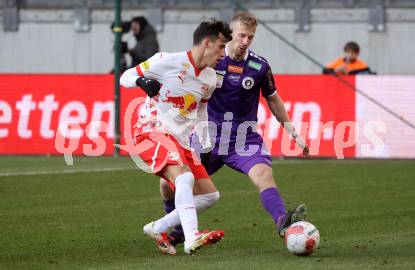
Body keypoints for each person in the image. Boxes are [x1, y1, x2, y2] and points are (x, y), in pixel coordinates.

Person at [158, 11, 310, 247]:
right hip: (208, 138)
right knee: (167, 185)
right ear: (231, 33)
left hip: (244, 139)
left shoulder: (259, 66)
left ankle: (283, 223)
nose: (245, 41)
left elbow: (273, 99)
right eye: (241, 35)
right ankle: (175, 232)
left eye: (250, 37)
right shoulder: (212, 61)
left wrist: (293, 132)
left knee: (264, 176)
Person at [120, 19, 232, 255]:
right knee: (184, 179)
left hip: (180, 140)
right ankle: (192, 237)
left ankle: (157, 227)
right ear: (206, 42)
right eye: (221, 46)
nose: (224, 53)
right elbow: (125, 76)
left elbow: (201, 110)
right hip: (152, 130)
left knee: (210, 195)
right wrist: (141, 80)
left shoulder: (210, 78)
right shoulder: (167, 61)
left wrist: (206, 141)